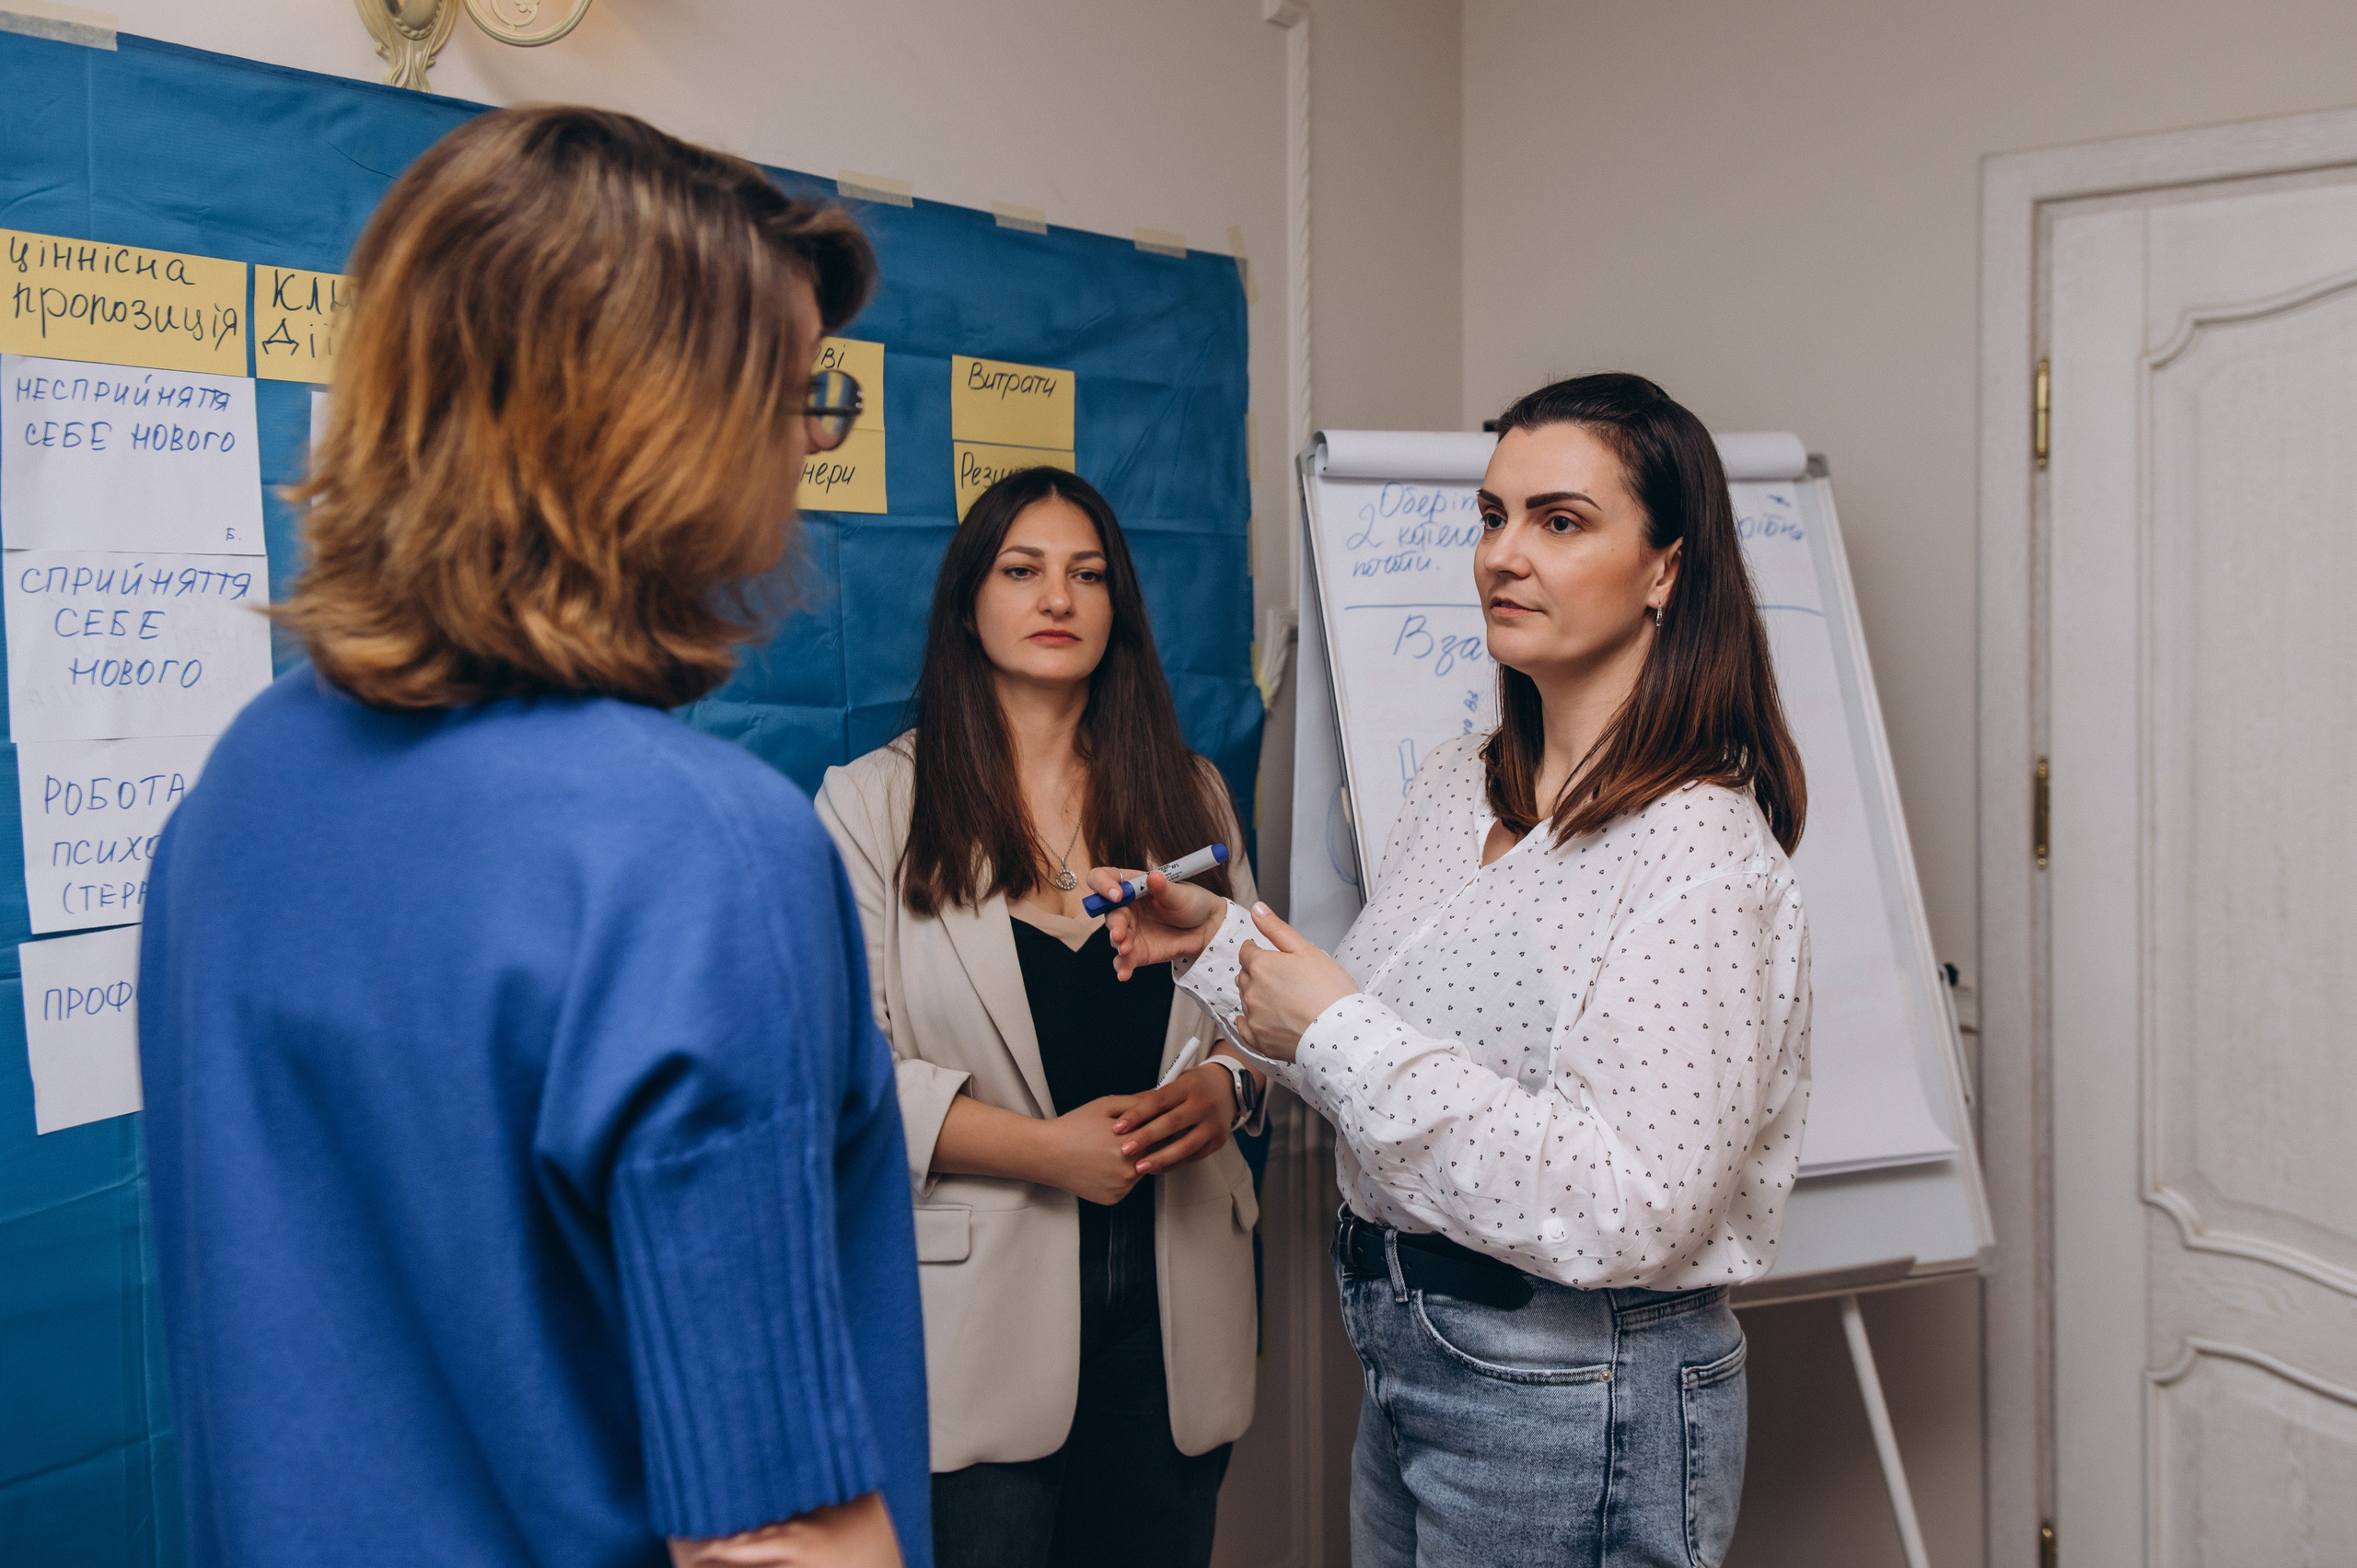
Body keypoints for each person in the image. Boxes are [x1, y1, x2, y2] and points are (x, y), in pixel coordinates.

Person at [137, 107, 927, 1568]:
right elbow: (777, 1533)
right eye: (796, 399)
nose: (803, 455)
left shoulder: (247, 783)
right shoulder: (694, 854)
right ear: (658, 432)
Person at [1101, 374, 1812, 1568]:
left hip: (1573, 1383)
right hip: (1413, 1344)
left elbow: (1634, 1204)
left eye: (1561, 520)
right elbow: (1381, 1050)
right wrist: (1214, 941)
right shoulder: (1457, 782)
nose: (1503, 555)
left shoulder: (1697, 842)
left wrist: (1337, 1028)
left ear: (1666, 569)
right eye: (1493, 516)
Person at [815, 467, 1263, 1568]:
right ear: (970, 602)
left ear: (1117, 611)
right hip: (973, 1339)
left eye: (1086, 574)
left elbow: (1259, 1018)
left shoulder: (1190, 796)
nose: (1056, 597)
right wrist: (1044, 1151)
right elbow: (842, 1075)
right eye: (1022, 571)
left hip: (1175, 1319)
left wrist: (1229, 1089)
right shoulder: (871, 805)